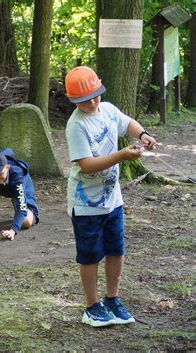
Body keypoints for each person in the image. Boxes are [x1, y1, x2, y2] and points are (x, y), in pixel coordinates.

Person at [64, 66, 156, 327]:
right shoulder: (76, 125)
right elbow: (87, 165)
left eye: (96, 95)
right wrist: (121, 155)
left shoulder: (108, 110)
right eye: (85, 100)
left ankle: (112, 299)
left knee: (116, 249)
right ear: (73, 100)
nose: (93, 102)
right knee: (90, 254)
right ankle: (92, 306)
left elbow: (127, 124)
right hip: (85, 203)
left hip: (112, 200)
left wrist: (143, 134)